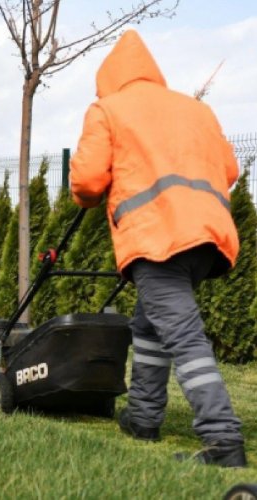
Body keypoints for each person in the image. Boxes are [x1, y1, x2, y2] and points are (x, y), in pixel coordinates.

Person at [70, 30, 245, 468]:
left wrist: (100, 191)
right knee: (150, 325)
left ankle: (223, 442)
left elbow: (88, 182)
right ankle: (143, 418)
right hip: (208, 237)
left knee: (183, 335)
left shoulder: (107, 108)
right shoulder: (196, 108)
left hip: (156, 236)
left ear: (108, 78)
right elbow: (230, 168)